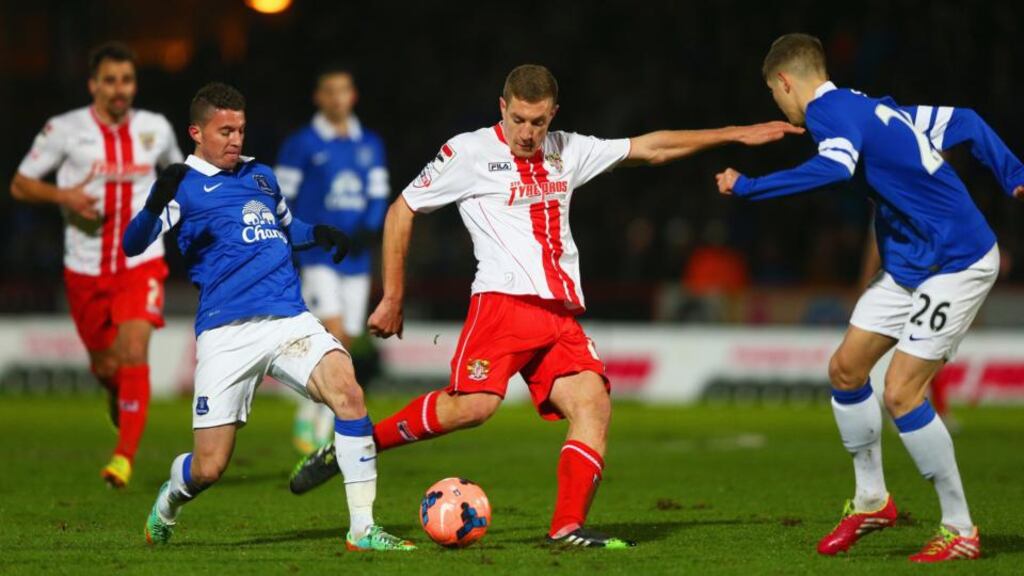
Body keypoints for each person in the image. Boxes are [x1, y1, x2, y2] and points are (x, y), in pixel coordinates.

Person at [290, 64, 802, 548]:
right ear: (502, 108)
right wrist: (394, 296)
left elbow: (652, 148)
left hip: (559, 316)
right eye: (517, 119)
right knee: (474, 406)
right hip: (503, 306)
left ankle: (567, 528)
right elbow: (403, 210)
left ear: (552, 115)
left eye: (538, 121)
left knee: (593, 403)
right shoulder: (467, 153)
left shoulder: (567, 150)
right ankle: (357, 444)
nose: (528, 132)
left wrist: (735, 132)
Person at [715, 33, 1024, 562]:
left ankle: (960, 529)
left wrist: (748, 188)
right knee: (846, 370)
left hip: (956, 261)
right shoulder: (876, 108)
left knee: (902, 392)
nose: (779, 103)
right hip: (910, 267)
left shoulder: (829, 115)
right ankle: (872, 500)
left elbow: (833, 168)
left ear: (785, 82)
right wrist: (1014, 174)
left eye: (775, 93)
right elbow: (967, 121)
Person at [123, 82, 413, 551]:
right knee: (209, 467)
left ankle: (362, 528)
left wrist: (316, 232)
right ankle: (170, 501)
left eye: (240, 129)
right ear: (196, 132)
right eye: (224, 131)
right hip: (226, 332)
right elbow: (132, 245)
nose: (235, 139)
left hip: (288, 319)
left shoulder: (261, 175)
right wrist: (156, 201)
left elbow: (284, 226)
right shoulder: (184, 186)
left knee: (349, 393)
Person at [10, 41, 182, 488]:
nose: (119, 89)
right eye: (110, 80)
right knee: (108, 367)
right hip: (85, 269)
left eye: (126, 80)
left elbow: (180, 175)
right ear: (93, 85)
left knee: (133, 351)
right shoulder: (65, 130)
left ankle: (123, 457)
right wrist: (63, 196)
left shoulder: (155, 128)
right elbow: (20, 184)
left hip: (141, 260)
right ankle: (116, 394)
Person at [275, 65, 389, 454]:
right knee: (335, 331)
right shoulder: (302, 144)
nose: (338, 98)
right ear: (319, 98)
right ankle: (321, 420)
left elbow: (378, 193)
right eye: (330, 91)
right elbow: (280, 199)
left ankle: (315, 406)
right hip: (319, 254)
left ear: (352, 96)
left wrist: (367, 229)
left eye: (344, 90)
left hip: (356, 256)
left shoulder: (369, 143)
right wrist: (294, 240)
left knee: (348, 338)